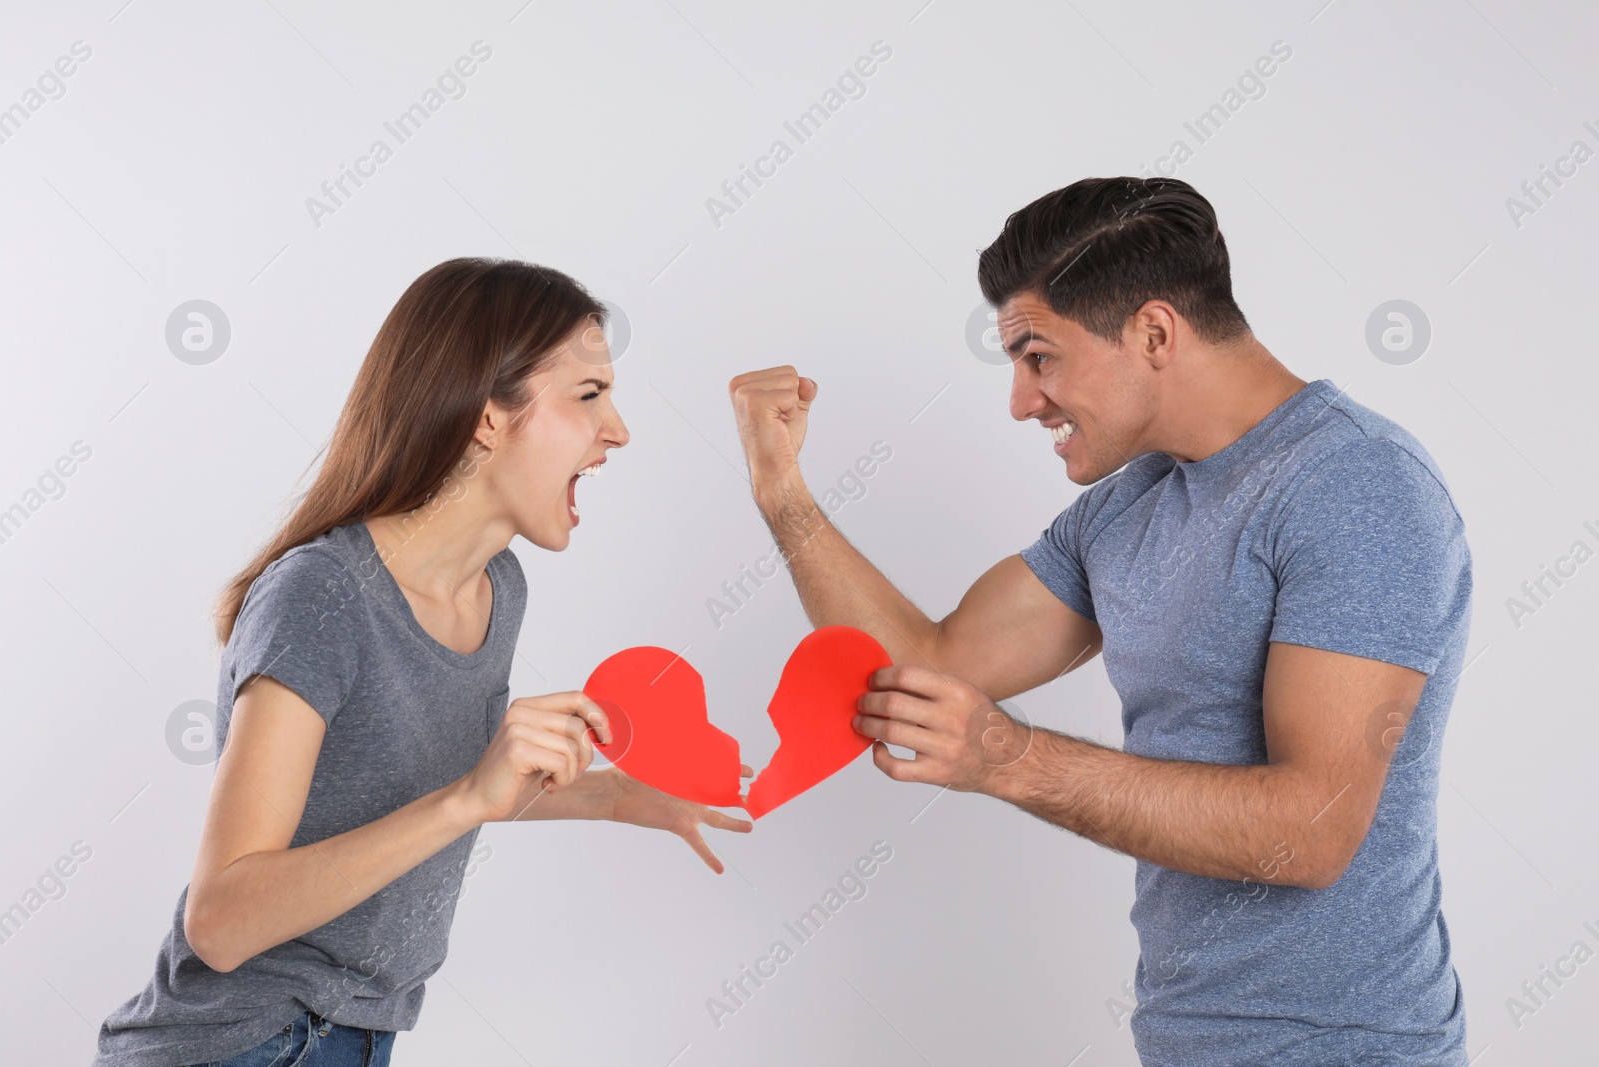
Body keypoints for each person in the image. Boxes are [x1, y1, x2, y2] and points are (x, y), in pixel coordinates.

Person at [727, 177, 1472, 1065]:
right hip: (1184, 1042)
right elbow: (925, 666)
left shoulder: (1354, 485)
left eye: (1039, 356)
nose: (1020, 400)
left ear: (1155, 332)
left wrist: (1007, 757)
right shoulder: (1129, 508)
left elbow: (1308, 830)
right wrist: (783, 493)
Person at [94, 258, 753, 1067]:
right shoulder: (323, 598)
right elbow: (222, 921)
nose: (619, 428)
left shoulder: (494, 590)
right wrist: (469, 798)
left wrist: (627, 795)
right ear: (487, 418)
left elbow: (428, 783)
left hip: (353, 1040)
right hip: (245, 1043)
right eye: (589, 395)